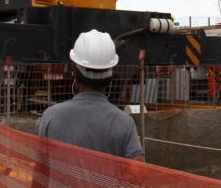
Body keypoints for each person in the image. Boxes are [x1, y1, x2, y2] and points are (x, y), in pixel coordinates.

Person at [39, 30, 144, 161]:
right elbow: (138, 175)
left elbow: (41, 173)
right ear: (110, 78)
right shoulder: (124, 123)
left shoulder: (51, 116)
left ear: (75, 74)